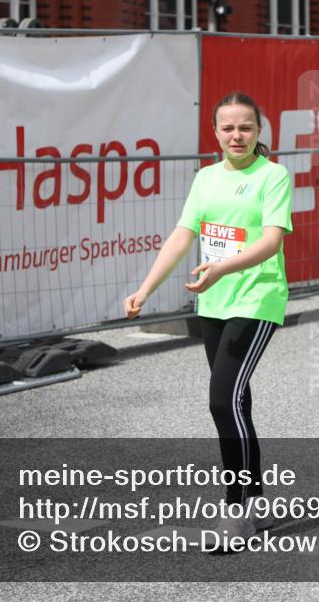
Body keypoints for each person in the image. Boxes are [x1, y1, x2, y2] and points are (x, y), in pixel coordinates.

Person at [125, 91, 292, 546]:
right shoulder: (205, 178)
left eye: (246, 127)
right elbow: (183, 236)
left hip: (256, 300)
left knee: (222, 402)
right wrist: (145, 289)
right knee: (237, 404)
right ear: (214, 132)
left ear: (259, 131)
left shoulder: (273, 176)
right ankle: (257, 505)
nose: (237, 135)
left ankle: (235, 512)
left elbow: (271, 242)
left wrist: (223, 267)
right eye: (228, 128)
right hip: (213, 303)